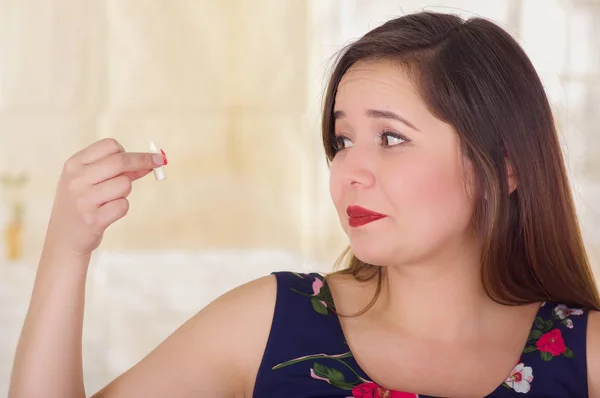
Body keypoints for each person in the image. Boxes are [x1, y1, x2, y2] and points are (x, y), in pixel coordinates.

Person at [8, 10, 600, 398]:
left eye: (391, 138)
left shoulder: (586, 356)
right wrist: (66, 248)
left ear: (505, 165)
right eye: (342, 141)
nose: (350, 172)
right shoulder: (272, 322)